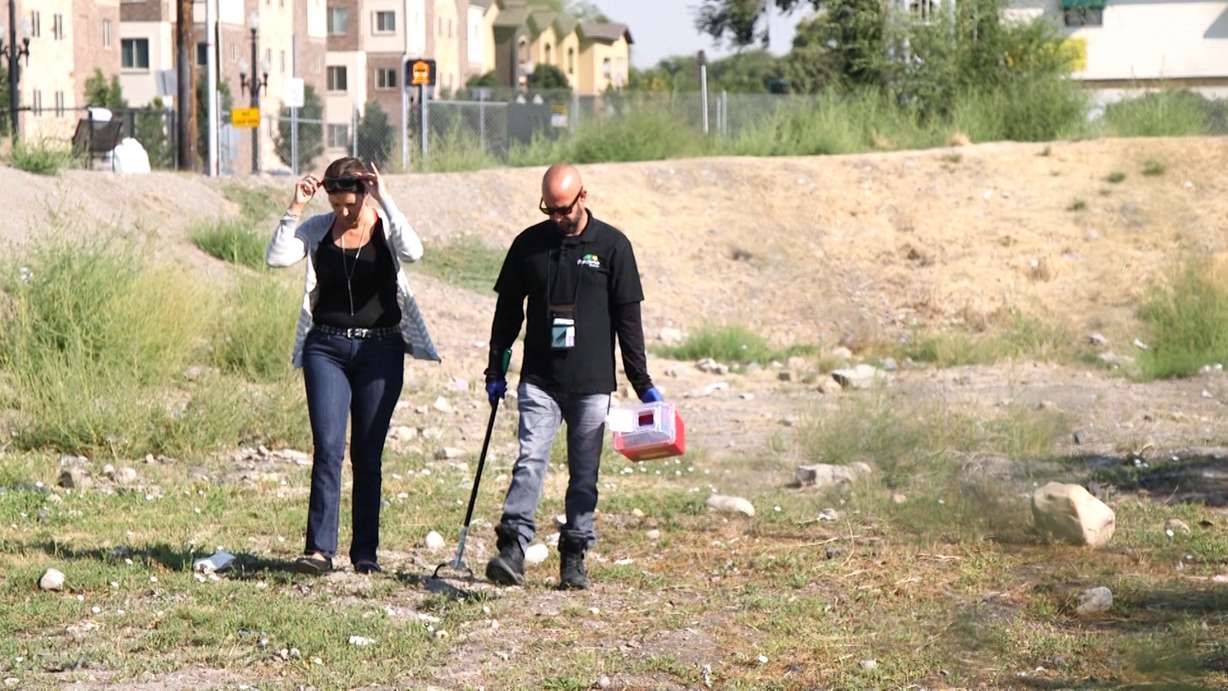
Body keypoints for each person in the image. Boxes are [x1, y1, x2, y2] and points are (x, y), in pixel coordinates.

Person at [483, 163, 663, 590]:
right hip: (540, 380)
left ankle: (574, 555)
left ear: (583, 197)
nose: (557, 218)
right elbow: (507, 313)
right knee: (529, 462)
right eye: (549, 210)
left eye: (563, 209)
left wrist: (643, 383)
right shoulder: (528, 245)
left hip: (591, 384)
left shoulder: (613, 246)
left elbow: (628, 322)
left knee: (584, 474)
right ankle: (512, 549)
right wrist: (495, 368)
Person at [266, 157, 440, 576]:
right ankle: (320, 551)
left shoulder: (384, 225)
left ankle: (366, 554)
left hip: (380, 350)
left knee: (367, 454)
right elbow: (277, 257)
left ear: (364, 193)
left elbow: (414, 252)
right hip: (325, 347)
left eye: (350, 204)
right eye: (337, 204)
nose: (344, 213)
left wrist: (386, 199)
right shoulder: (318, 228)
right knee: (327, 449)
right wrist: (295, 208)